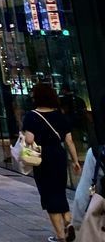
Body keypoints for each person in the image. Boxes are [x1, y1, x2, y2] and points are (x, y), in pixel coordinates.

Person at [23, 81, 81, 242]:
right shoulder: (59, 115)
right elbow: (69, 140)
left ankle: (60, 235)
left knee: (49, 194)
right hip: (59, 154)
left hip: (43, 157)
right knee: (59, 190)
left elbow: (29, 139)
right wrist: (76, 161)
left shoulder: (31, 116)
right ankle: (68, 221)